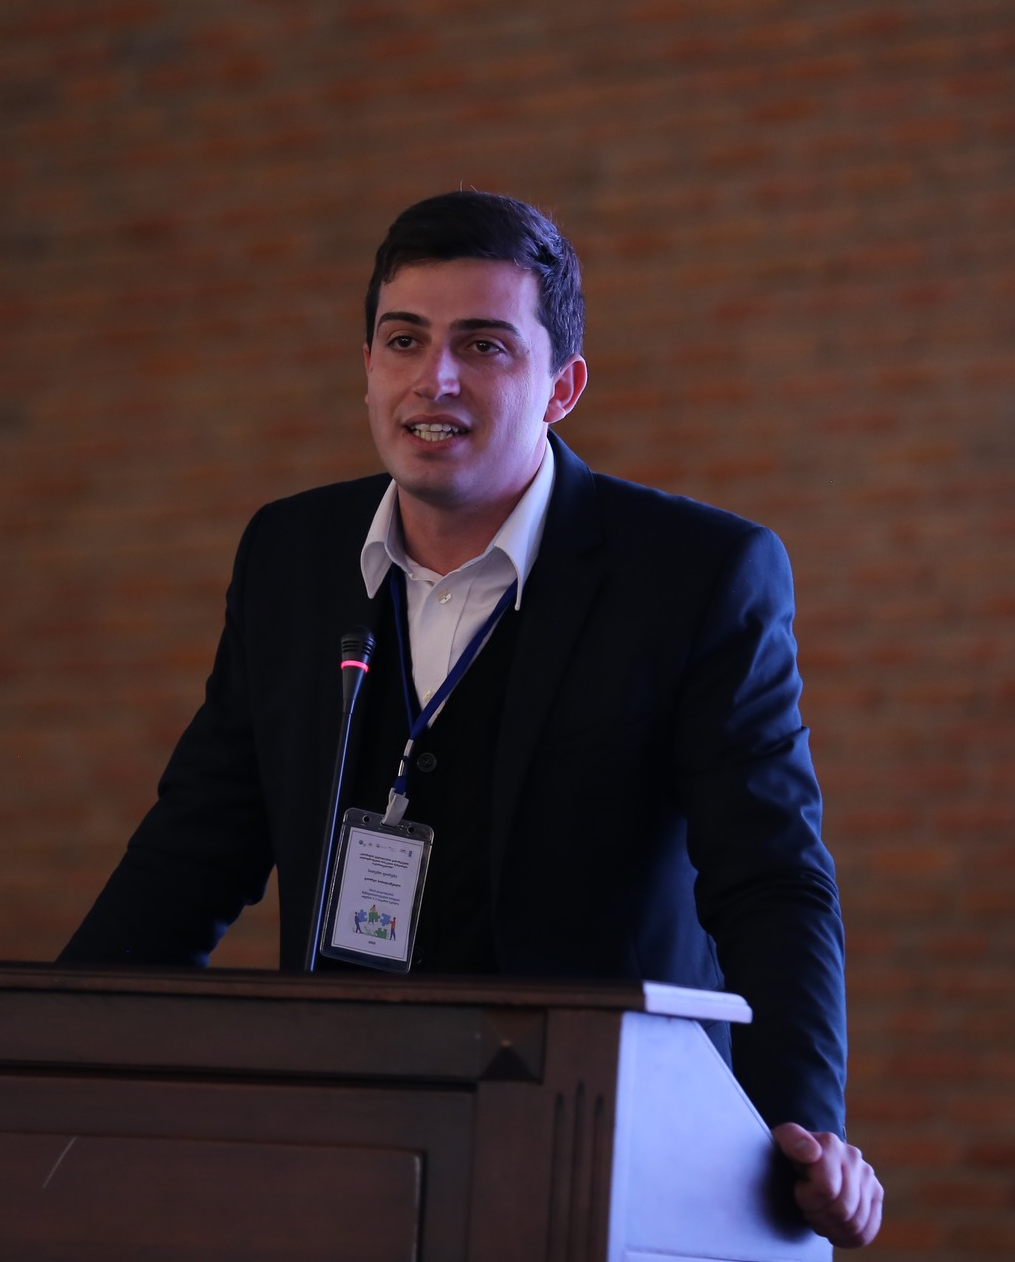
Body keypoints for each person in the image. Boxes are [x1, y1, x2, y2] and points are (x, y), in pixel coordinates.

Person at [60, 190, 883, 1247]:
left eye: (483, 346)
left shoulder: (695, 576)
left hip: (601, 1157)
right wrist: (48, 1050)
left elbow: (768, 878)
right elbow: (192, 850)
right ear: (367, 364)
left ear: (561, 387)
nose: (433, 379)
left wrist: (800, 1133)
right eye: (404, 340)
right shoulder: (289, 558)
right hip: (343, 1149)